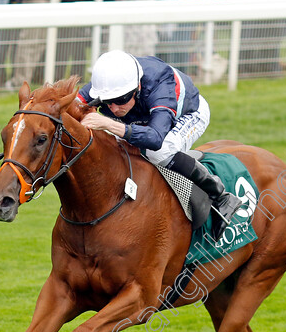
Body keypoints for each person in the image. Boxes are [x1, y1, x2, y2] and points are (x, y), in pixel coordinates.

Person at [76, 50, 243, 239]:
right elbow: (68, 106)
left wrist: (108, 123)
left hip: (188, 114)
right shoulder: (107, 83)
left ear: (137, 86)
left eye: (120, 100)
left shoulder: (160, 84)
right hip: (144, 117)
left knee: (159, 153)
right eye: (107, 102)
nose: (113, 108)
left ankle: (220, 195)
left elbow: (155, 139)